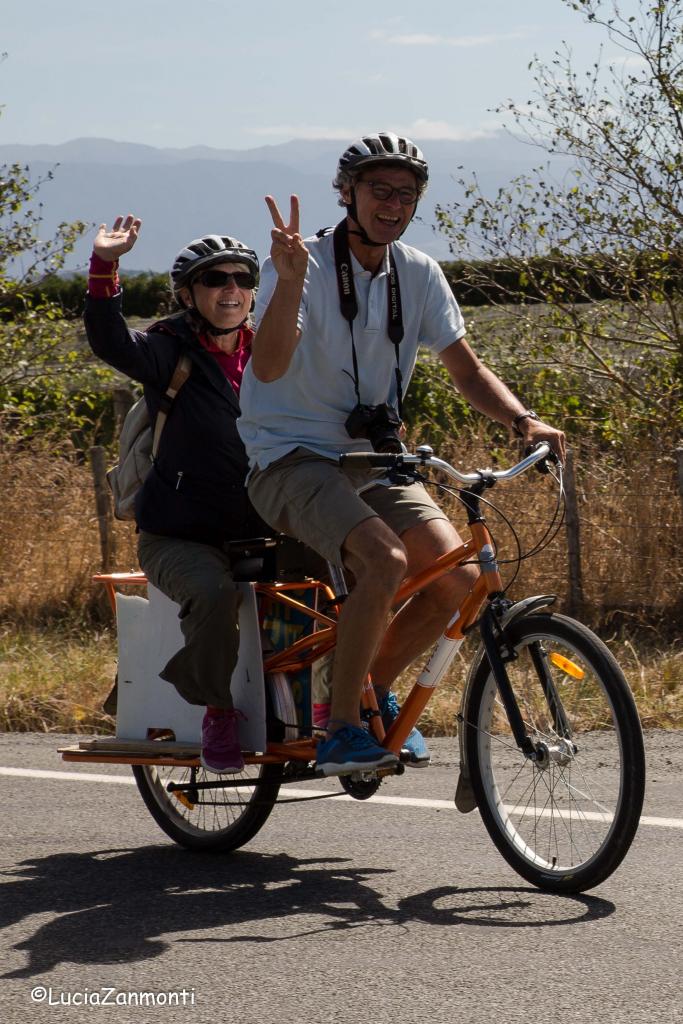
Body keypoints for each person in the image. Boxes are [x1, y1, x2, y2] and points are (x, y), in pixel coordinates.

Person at [237, 131, 566, 777]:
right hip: (289, 457)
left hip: (371, 458)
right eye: (378, 191)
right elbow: (269, 367)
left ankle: (370, 688)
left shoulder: (416, 273)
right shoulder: (297, 263)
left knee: (459, 582)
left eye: (405, 195)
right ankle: (340, 727)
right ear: (346, 194)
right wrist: (286, 285)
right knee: (384, 558)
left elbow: (466, 373)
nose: (392, 204)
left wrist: (524, 419)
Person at [84, 214, 267, 774]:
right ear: (189, 295)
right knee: (212, 595)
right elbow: (110, 340)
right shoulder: (170, 350)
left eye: (241, 278)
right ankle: (215, 710)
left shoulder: (277, 350)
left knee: (350, 570)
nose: (231, 289)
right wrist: (105, 267)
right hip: (176, 535)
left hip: (262, 523)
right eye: (216, 280)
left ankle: (341, 705)